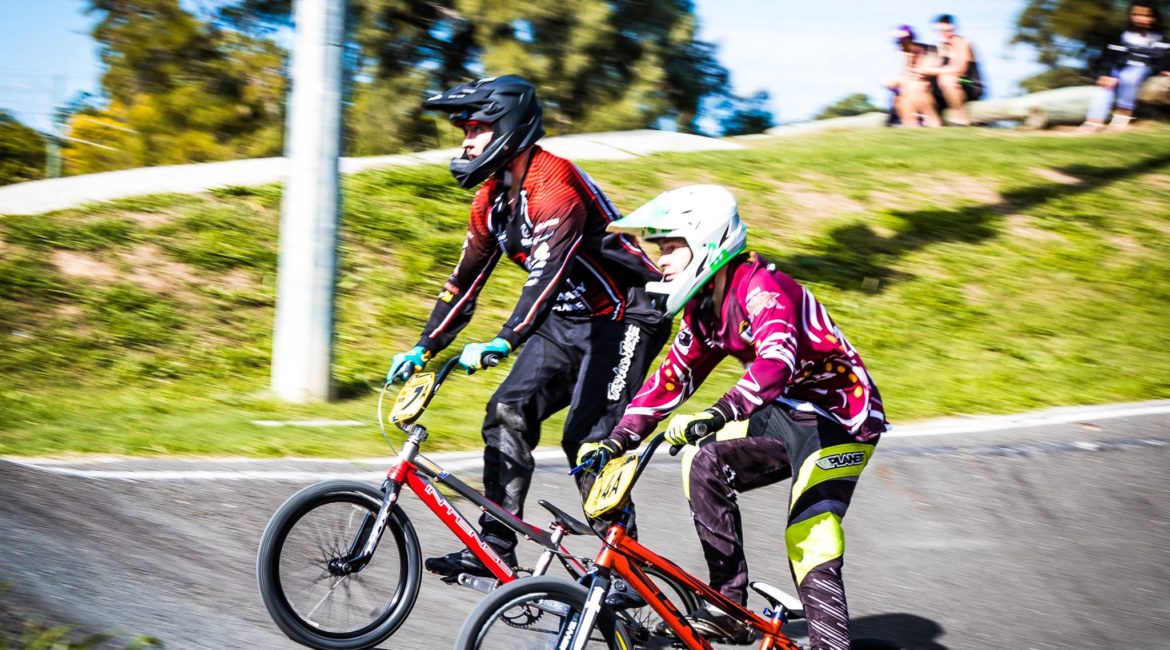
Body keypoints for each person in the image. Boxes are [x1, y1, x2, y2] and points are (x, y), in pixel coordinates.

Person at [578, 185, 890, 649]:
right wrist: (617, 439)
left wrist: (717, 412)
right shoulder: (704, 309)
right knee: (701, 463)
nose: (660, 260)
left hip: (841, 419)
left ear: (707, 242)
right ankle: (729, 608)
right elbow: (671, 377)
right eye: (658, 248)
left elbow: (775, 363)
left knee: (809, 537)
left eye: (670, 247)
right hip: (783, 413)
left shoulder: (762, 287)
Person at [385, 75, 670, 578]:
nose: (466, 141)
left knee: (586, 441)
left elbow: (545, 276)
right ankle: (494, 547)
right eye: (464, 131)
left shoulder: (554, 185)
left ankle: (627, 575)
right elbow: (463, 284)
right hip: (565, 319)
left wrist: (505, 339)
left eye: (476, 129)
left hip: (627, 315)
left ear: (509, 126)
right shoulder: (491, 202)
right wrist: (423, 347)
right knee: (507, 411)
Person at [1081, 1, 1170, 132]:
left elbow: (1165, 58)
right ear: (1131, 15)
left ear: (1153, 18)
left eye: (1146, 16)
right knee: (1104, 88)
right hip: (1118, 69)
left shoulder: (1162, 39)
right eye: (1136, 14)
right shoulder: (1121, 36)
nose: (1141, 19)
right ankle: (1093, 123)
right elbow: (1108, 57)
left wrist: (1166, 69)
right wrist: (1105, 74)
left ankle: (1122, 116)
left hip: (1142, 69)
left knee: (1130, 76)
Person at [919, 14, 984, 126]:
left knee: (947, 79)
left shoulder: (961, 42)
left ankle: (960, 117)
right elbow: (922, 69)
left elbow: (958, 69)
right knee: (919, 84)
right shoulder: (937, 47)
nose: (946, 34)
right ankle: (932, 122)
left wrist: (933, 71)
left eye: (948, 30)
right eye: (941, 30)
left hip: (969, 82)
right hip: (944, 86)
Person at [886, 25, 942, 127]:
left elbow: (927, 72)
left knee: (915, 87)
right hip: (907, 92)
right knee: (907, 90)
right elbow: (891, 81)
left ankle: (929, 121)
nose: (902, 45)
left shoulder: (930, 51)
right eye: (899, 42)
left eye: (904, 41)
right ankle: (914, 123)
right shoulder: (899, 55)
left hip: (929, 90)